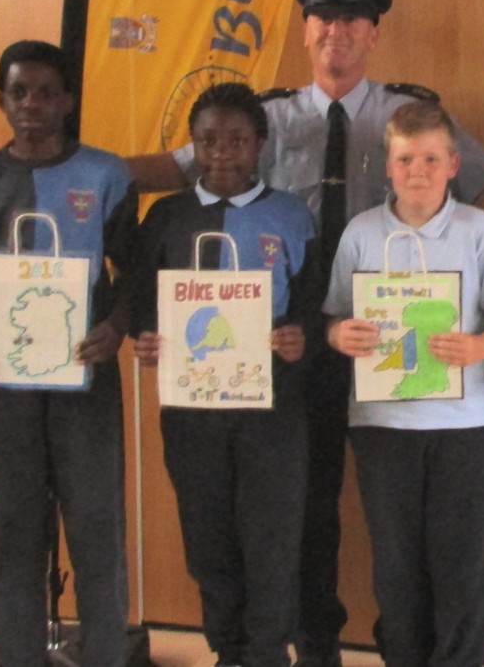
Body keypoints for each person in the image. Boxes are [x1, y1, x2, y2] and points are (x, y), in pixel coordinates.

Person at [128, 0, 484, 666]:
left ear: (372, 32)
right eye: (322, 18)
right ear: (305, 30)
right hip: (295, 341)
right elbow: (178, 169)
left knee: (390, 520)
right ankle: (317, 645)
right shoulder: (259, 119)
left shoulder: (409, 116)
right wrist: (81, 170)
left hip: (387, 351)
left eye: (352, 19)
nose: (336, 30)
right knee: (298, 514)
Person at [0, 40, 137, 667]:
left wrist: (117, 324)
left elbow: (132, 269)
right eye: (18, 92)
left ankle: (107, 653)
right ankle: (20, 654)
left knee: (96, 526)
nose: (32, 104)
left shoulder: (108, 175)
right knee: (17, 528)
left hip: (86, 375)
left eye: (46, 92)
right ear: (1, 98)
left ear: (68, 99)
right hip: (8, 382)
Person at [133, 82, 321, 667]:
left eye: (238, 139)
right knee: (208, 537)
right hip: (193, 414)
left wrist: (302, 337)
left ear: (260, 143)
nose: (222, 152)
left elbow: (317, 304)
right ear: (193, 145)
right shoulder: (166, 216)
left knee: (271, 540)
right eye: (208, 140)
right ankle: (227, 650)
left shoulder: (291, 215)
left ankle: (267, 653)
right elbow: (141, 298)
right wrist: (145, 337)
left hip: (273, 412)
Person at [323, 99, 484, 667]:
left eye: (431, 158)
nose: (418, 171)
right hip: (384, 426)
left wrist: (482, 345)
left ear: (454, 164)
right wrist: (340, 338)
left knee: (463, 569)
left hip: (467, 425)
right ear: (388, 164)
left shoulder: (478, 229)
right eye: (406, 158)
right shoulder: (360, 233)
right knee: (397, 568)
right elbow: (332, 315)